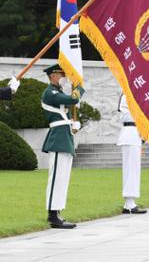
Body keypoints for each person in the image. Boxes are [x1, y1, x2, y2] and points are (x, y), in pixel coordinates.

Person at [41, 64, 84, 229]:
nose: (63, 77)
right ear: (52, 76)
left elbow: (66, 109)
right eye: (61, 75)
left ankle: (57, 212)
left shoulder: (57, 92)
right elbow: (73, 99)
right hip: (58, 139)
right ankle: (52, 215)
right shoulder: (50, 92)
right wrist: (79, 85)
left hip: (65, 137)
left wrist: (73, 123)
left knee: (63, 179)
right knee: (56, 179)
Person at [116, 94, 147, 214]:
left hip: (135, 134)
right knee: (130, 169)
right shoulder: (126, 96)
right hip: (129, 133)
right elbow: (125, 116)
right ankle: (129, 203)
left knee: (134, 169)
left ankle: (130, 202)